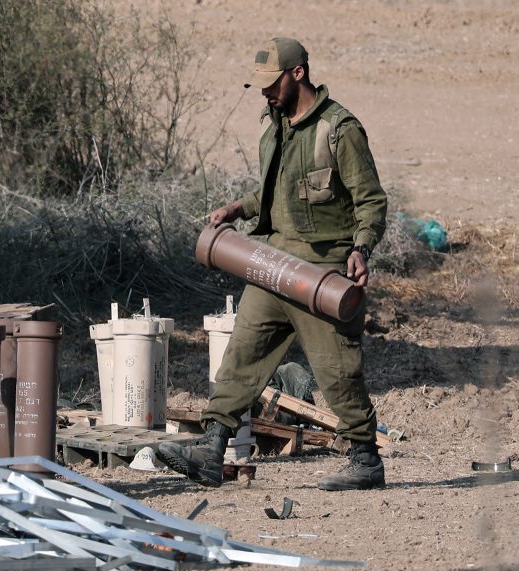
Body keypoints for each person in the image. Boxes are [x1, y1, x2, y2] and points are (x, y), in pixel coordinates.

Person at [157, 37, 388, 491]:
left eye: (271, 83)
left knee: (337, 371)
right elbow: (271, 195)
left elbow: (371, 201)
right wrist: (236, 209)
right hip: (273, 264)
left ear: (297, 73)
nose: (264, 93)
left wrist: (361, 248)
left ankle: (366, 460)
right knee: (241, 356)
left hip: (322, 276)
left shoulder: (339, 130)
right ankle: (211, 449)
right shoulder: (275, 129)